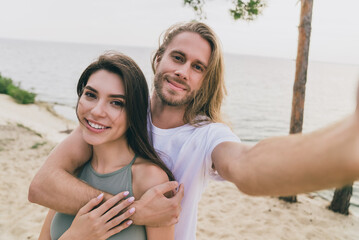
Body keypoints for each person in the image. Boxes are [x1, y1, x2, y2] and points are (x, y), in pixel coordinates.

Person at [29, 21, 359, 240]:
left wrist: (344, 147)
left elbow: (248, 166)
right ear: (158, 59)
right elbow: (43, 184)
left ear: (205, 79)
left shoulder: (207, 135)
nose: (183, 71)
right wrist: (135, 211)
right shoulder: (118, 114)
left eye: (197, 67)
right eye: (178, 57)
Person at [37, 52, 175, 240]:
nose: (96, 111)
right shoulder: (70, 170)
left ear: (134, 112)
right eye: (91, 95)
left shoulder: (149, 179)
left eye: (116, 103)